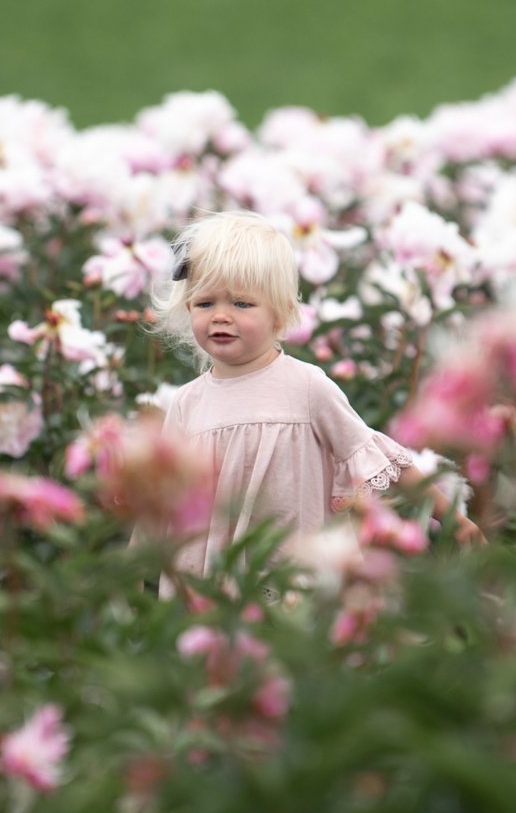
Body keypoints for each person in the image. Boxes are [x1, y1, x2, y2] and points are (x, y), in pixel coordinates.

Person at [151, 210, 481, 587]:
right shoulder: (186, 403)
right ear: (188, 307)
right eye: (205, 303)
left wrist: (450, 516)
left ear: (281, 313)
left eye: (242, 304)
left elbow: (376, 454)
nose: (221, 317)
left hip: (292, 577)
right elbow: (165, 494)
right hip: (209, 581)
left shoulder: (306, 387)